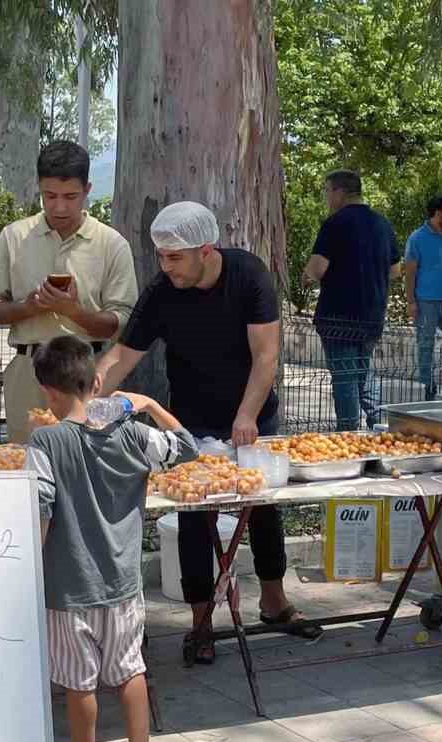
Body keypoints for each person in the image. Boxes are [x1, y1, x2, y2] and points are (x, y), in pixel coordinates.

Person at [96, 201, 324, 663]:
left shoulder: (249, 276)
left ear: (206, 250)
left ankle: (275, 601)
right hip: (191, 421)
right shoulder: (161, 292)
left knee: (263, 508)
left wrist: (247, 414)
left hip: (252, 414)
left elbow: (265, 357)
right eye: (160, 256)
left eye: (174, 257)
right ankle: (201, 622)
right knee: (193, 516)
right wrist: (82, 406)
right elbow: (121, 357)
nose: (165, 267)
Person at [25, 335, 193, 742]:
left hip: (66, 588)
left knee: (80, 682)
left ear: (48, 392)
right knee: (129, 669)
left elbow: (39, 506)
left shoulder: (46, 440)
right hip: (122, 583)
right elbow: (186, 446)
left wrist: (27, 574)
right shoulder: (136, 436)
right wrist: (150, 405)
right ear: (98, 382)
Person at [0, 141, 138, 444]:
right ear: (38, 187)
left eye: (71, 196)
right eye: (49, 196)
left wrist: (73, 311)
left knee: (88, 460)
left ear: (88, 189)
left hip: (87, 373)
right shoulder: (13, 237)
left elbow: (121, 322)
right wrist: (29, 307)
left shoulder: (111, 244)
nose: (60, 206)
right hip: (28, 373)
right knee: (27, 461)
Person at [303, 170, 400, 430]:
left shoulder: (335, 223)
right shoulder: (382, 224)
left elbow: (316, 270)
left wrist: (306, 277)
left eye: (327, 192)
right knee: (364, 373)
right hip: (372, 316)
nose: (326, 198)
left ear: (338, 192)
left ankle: (348, 433)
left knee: (344, 378)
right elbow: (395, 270)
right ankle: (379, 425)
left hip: (338, 318)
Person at [404, 194, 442, 400]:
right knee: (425, 347)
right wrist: (411, 302)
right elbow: (410, 271)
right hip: (425, 302)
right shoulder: (416, 238)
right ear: (437, 213)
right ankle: (426, 390)